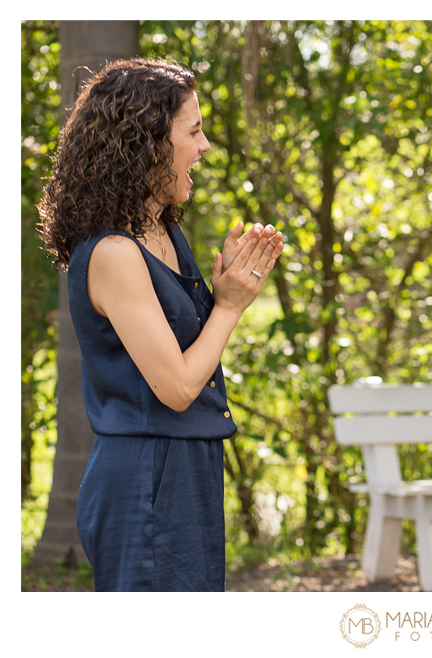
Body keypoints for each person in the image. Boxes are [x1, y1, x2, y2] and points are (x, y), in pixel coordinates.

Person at [37, 58, 284, 591]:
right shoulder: (114, 252)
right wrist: (231, 306)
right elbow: (175, 386)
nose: (205, 145)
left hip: (188, 466)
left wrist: (222, 293)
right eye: (193, 131)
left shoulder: (163, 231)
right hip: (144, 476)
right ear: (145, 141)